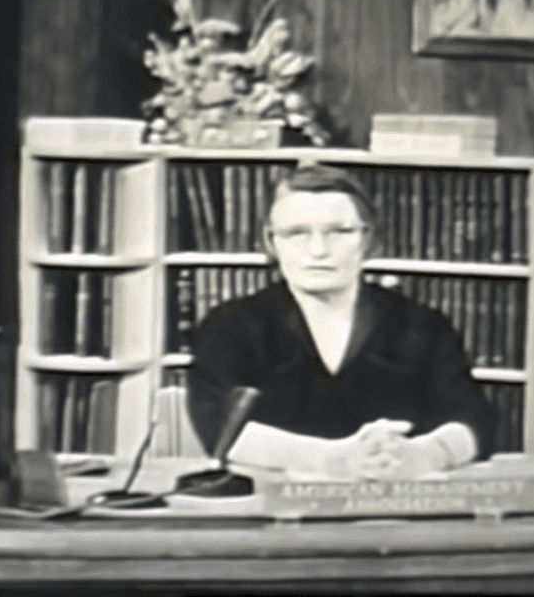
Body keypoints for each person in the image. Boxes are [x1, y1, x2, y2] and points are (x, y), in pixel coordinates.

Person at [186, 164, 497, 479]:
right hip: (272, 510)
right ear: (271, 242)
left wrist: (425, 455)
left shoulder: (422, 326)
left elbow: (474, 420)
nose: (319, 251)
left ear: (367, 238)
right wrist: (336, 459)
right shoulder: (231, 327)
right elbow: (221, 431)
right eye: (296, 233)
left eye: (340, 232)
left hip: (394, 508)